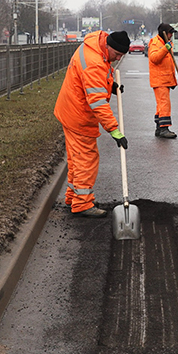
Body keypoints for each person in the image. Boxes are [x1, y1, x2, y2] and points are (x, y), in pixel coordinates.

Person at [53, 29, 130, 217]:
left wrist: (110, 84)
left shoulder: (95, 45)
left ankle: (73, 197)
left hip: (70, 109)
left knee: (76, 159)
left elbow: (98, 73)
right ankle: (82, 204)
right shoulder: (94, 62)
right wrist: (115, 130)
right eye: (117, 54)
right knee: (86, 159)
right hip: (78, 115)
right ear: (109, 46)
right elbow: (97, 102)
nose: (118, 59)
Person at [148, 23, 178, 138]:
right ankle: (164, 129)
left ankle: (159, 128)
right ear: (164, 33)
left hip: (164, 79)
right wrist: (166, 48)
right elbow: (154, 58)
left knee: (161, 105)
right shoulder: (156, 43)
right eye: (170, 33)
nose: (171, 36)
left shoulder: (164, 43)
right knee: (164, 104)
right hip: (160, 80)